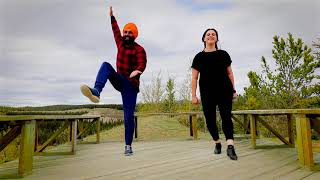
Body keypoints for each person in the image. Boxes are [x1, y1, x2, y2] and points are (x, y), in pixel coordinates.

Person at [80, 6, 147, 156]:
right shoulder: (120, 42)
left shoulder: (139, 49)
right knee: (105, 65)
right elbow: (115, 30)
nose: (126, 34)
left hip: (131, 85)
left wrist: (139, 70)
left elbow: (142, 62)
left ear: (134, 35)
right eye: (125, 32)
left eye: (130, 32)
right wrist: (112, 17)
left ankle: (128, 145)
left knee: (128, 115)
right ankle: (96, 91)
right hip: (119, 79)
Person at [191, 28, 238, 160]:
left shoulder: (223, 54)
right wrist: (193, 95)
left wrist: (234, 90)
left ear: (216, 39)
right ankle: (217, 142)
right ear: (204, 39)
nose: (211, 36)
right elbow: (194, 78)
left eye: (213, 34)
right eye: (208, 34)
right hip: (207, 93)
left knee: (226, 117)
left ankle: (230, 146)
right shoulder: (199, 57)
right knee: (210, 120)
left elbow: (230, 73)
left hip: (225, 90)